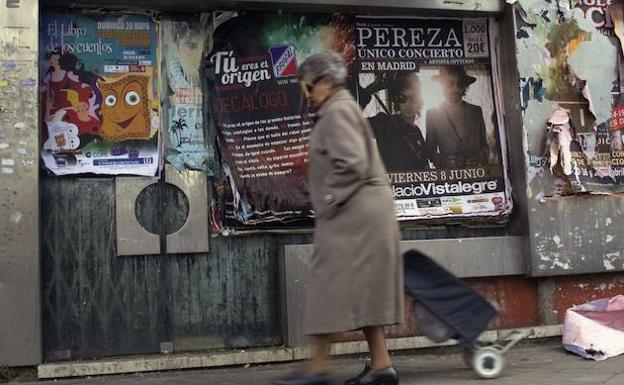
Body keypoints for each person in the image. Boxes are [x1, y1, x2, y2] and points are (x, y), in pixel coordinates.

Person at [273, 51, 403, 385]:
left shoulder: (337, 111)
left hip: (353, 213)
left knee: (326, 284)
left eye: (309, 86)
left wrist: (327, 201)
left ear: (327, 81)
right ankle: (381, 366)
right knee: (362, 289)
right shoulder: (339, 107)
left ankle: (317, 369)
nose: (307, 94)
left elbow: (353, 164)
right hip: (360, 211)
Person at [358, 72, 429, 171]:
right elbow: (349, 121)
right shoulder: (384, 123)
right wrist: (369, 91)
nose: (407, 104)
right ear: (396, 99)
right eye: (402, 98)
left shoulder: (416, 133)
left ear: (420, 99)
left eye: (412, 98)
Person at [425, 65, 489, 169]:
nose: (455, 88)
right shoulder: (432, 115)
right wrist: (445, 161)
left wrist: (479, 157)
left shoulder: (476, 111)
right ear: (441, 85)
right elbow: (429, 152)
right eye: (449, 83)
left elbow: (485, 147)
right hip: (448, 179)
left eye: (460, 84)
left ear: (465, 86)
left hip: (475, 177)